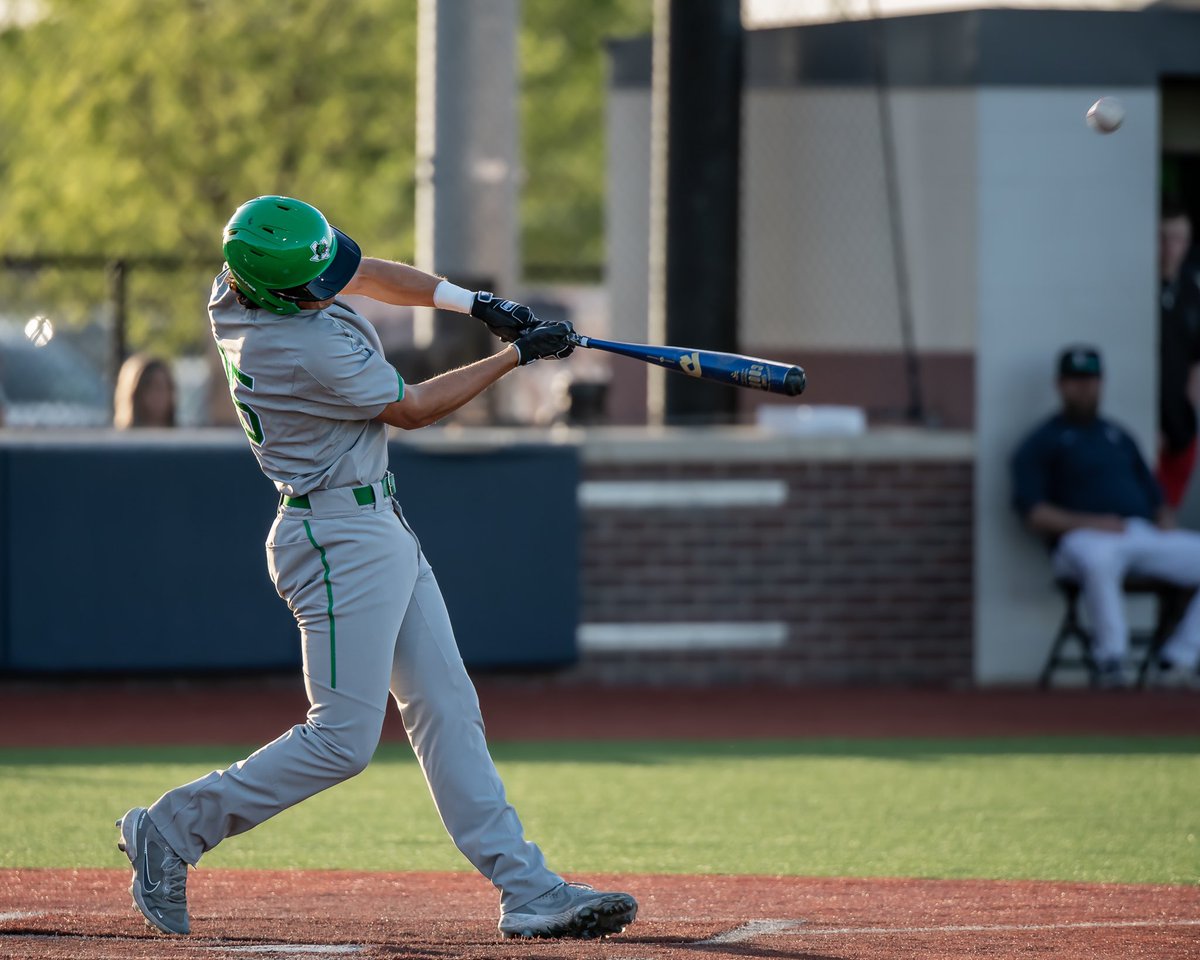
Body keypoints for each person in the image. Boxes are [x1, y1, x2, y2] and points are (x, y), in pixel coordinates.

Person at [115, 196, 637, 940]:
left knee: (448, 711)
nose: (329, 284)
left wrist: (473, 302)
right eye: (312, 284)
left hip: (373, 523)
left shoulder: (239, 280)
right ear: (276, 293)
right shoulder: (298, 349)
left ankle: (527, 889)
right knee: (341, 740)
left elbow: (365, 275)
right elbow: (417, 407)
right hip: (336, 535)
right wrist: (515, 356)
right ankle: (171, 828)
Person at [1012, 345, 1200, 688]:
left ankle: (1178, 659)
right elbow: (1034, 513)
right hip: (1079, 540)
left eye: (1091, 379)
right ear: (1060, 385)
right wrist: (1090, 523)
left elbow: (1156, 498)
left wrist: (1164, 522)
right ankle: (1111, 659)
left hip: (1135, 532)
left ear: (1101, 383)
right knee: (1100, 559)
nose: (1084, 388)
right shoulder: (1043, 441)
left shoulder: (1118, 436)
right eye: (1076, 380)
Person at [1157, 201, 1200, 507]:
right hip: (1149, 427)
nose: (1172, 247)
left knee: (1171, 512)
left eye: (1180, 238)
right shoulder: (1135, 289)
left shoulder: (1190, 291)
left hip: (1181, 429)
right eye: (1164, 237)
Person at [113, 353, 177, 428]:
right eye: (153, 387)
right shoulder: (116, 438)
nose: (159, 396)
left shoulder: (185, 436)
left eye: (166, 387)